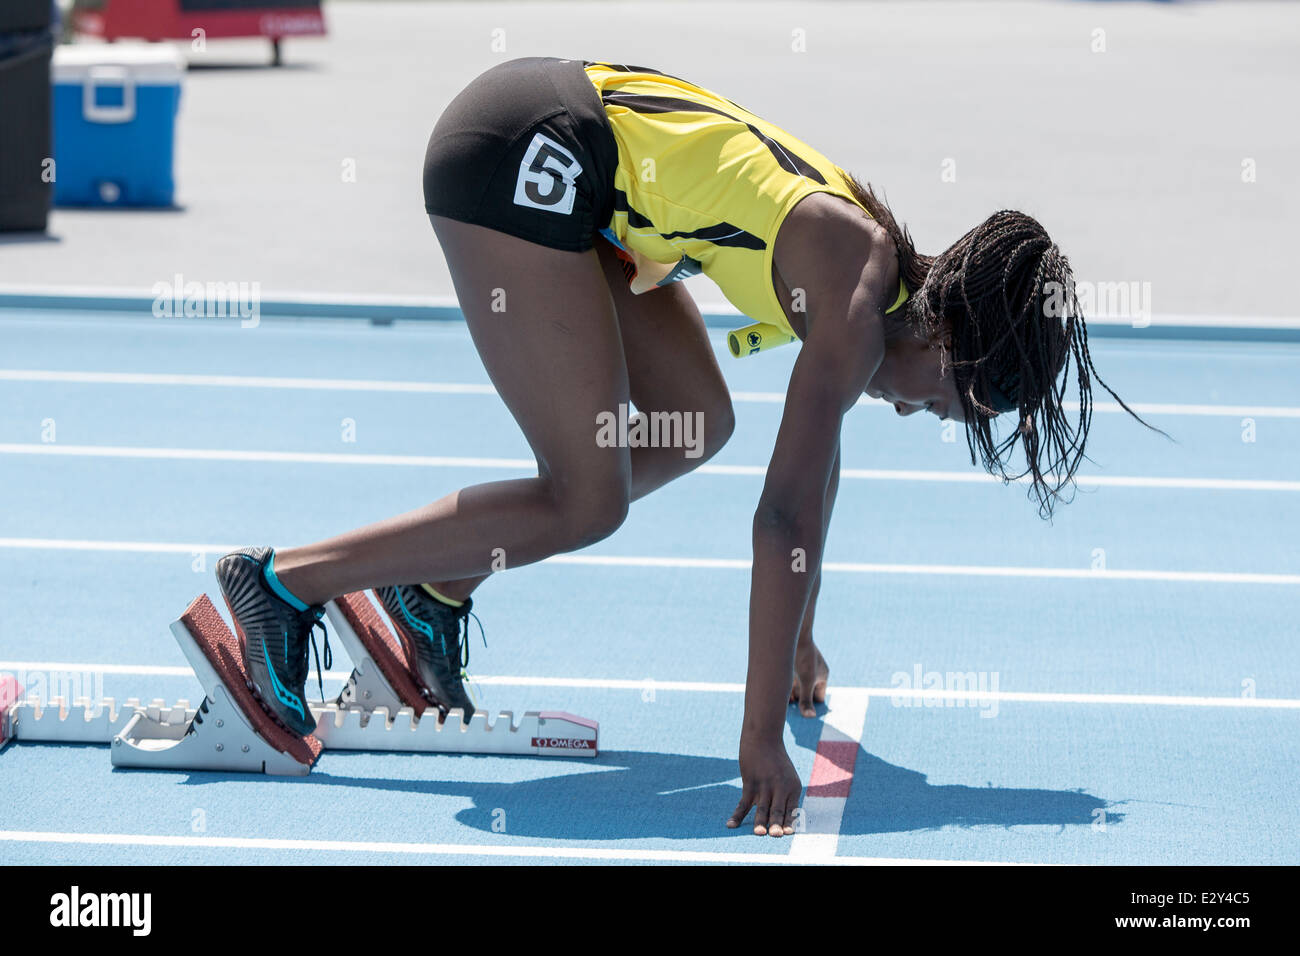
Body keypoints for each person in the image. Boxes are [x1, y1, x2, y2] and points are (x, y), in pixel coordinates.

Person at [214, 58, 1161, 837]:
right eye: (950, 409)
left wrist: (801, 636)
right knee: (586, 497)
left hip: (589, 179)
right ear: (950, 344)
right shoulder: (860, 305)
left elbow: (815, 476)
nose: (920, 418)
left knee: (695, 423)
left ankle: (431, 591)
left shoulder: (880, 281)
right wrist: (757, 740)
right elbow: (782, 515)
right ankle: (287, 582)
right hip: (525, 149)